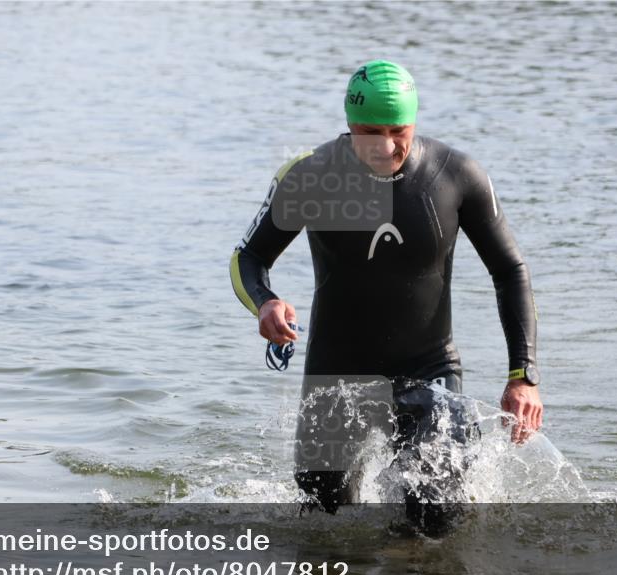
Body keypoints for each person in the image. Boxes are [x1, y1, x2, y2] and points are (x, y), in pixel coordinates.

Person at [230, 60, 543, 525]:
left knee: (435, 514)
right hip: (337, 370)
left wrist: (523, 375)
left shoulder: (455, 174)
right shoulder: (312, 174)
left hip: (429, 368)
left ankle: (414, 564)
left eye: (399, 131)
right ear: (349, 123)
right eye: (371, 132)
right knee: (323, 518)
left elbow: (509, 270)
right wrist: (265, 303)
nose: (387, 146)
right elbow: (248, 257)